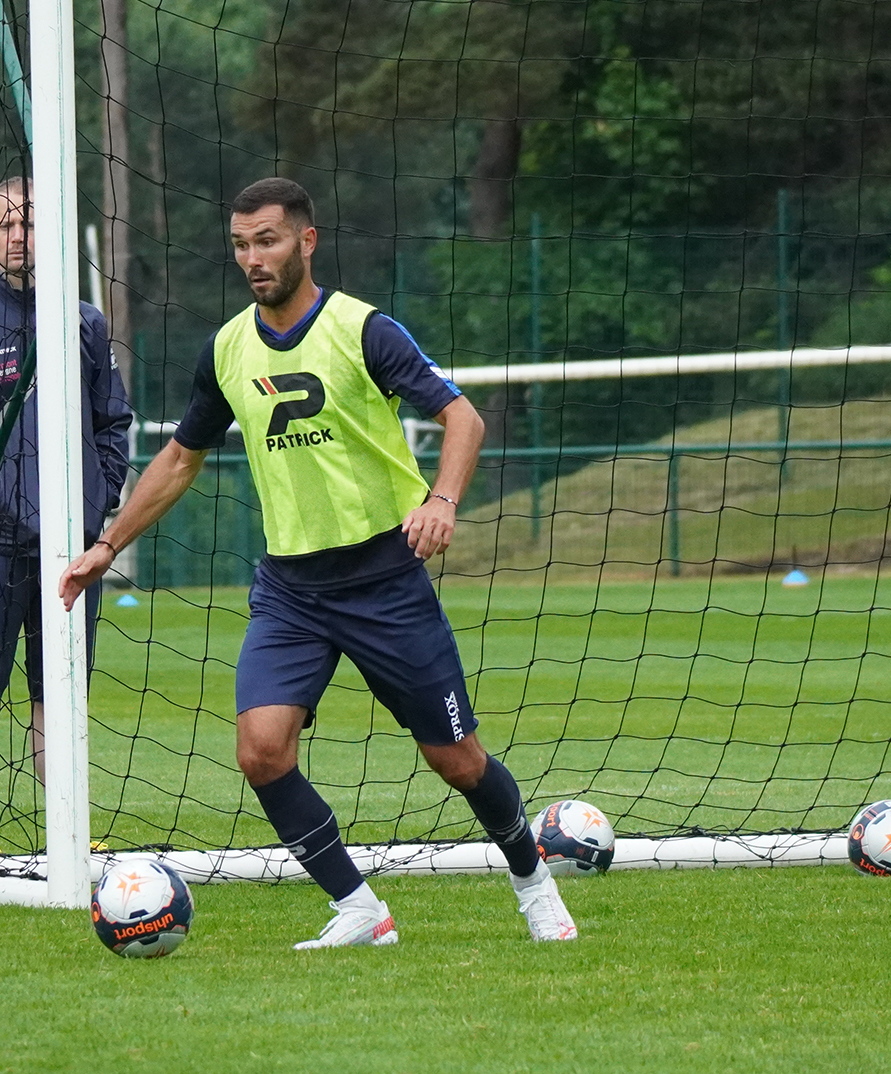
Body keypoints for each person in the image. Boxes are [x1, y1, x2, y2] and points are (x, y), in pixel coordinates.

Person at [62, 176, 578, 949]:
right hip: (291, 590)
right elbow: (179, 458)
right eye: (239, 245)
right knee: (260, 751)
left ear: (307, 240)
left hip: (384, 579)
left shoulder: (364, 330)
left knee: (458, 760)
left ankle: (532, 881)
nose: (252, 258)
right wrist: (107, 545)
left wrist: (441, 500)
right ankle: (360, 909)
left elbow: (461, 417)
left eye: (266, 240)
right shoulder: (228, 348)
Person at [0, 177, 132, 852]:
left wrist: (100, 502)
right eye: (6, 224)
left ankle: (68, 828)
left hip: (72, 550)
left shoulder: (85, 322)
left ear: (51, 232)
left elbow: (112, 422)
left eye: (31, 223)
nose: (18, 235)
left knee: (59, 692)